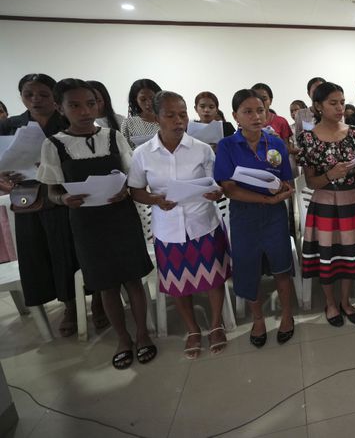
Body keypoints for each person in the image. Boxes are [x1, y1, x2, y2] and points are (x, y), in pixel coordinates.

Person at [38, 79, 155, 370]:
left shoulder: (113, 136)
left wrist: (127, 188)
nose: (84, 111)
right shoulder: (54, 144)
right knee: (106, 284)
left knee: (133, 279)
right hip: (86, 220)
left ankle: (142, 334)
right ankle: (122, 339)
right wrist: (64, 200)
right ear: (60, 107)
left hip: (120, 215)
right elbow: (51, 189)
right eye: (74, 105)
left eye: (90, 104)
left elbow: (133, 175)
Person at [129, 91, 231, 359]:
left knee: (213, 278)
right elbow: (136, 190)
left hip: (203, 222)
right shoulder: (143, 154)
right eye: (170, 115)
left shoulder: (201, 149)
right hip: (168, 228)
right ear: (156, 117)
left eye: (183, 114)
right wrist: (154, 199)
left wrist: (216, 192)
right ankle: (193, 329)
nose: (178, 121)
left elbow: (217, 185)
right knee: (178, 282)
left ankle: (217, 324)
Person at [0, 74, 104, 337]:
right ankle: (68, 306)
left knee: (78, 250)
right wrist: (4, 175)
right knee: (43, 253)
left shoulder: (69, 123)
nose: (36, 100)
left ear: (55, 99)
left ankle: (100, 303)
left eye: (43, 94)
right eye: (29, 94)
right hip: (29, 197)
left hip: (67, 193)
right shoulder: (10, 126)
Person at [214, 89, 296, 347]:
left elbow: (286, 179)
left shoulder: (276, 143)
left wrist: (283, 189)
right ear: (235, 115)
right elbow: (227, 187)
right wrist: (264, 198)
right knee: (248, 268)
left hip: (274, 215)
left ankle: (287, 315)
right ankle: (258, 319)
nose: (256, 116)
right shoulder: (227, 145)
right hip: (243, 216)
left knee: (282, 266)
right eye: (248, 111)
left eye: (260, 110)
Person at [296, 83, 355, 326]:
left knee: (350, 255)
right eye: (333, 103)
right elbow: (311, 181)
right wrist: (330, 175)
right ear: (318, 106)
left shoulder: (354, 133)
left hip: (350, 200)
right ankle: (330, 303)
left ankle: (345, 301)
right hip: (323, 202)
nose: (340, 107)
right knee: (327, 256)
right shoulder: (308, 138)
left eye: (342, 102)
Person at [121, 78, 162, 148]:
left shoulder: (168, 120)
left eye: (152, 98)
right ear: (136, 100)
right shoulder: (129, 124)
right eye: (143, 99)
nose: (148, 103)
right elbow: (126, 152)